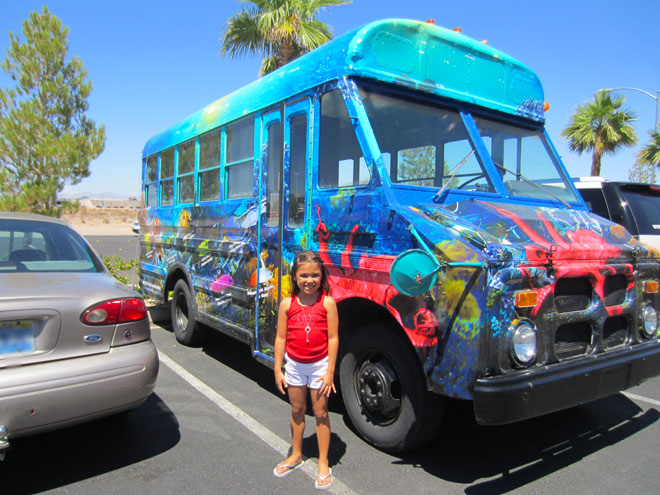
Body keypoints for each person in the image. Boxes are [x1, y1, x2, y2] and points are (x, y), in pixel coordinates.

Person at [273, 250, 339, 490]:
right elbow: (280, 337)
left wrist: (330, 370)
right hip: (295, 365)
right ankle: (296, 454)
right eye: (304, 275)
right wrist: (277, 368)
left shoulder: (328, 303)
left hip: (320, 365)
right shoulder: (287, 304)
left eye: (315, 275)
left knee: (321, 413)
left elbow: (333, 338)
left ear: (322, 277)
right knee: (297, 410)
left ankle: (323, 461)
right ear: (295, 277)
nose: (309, 280)